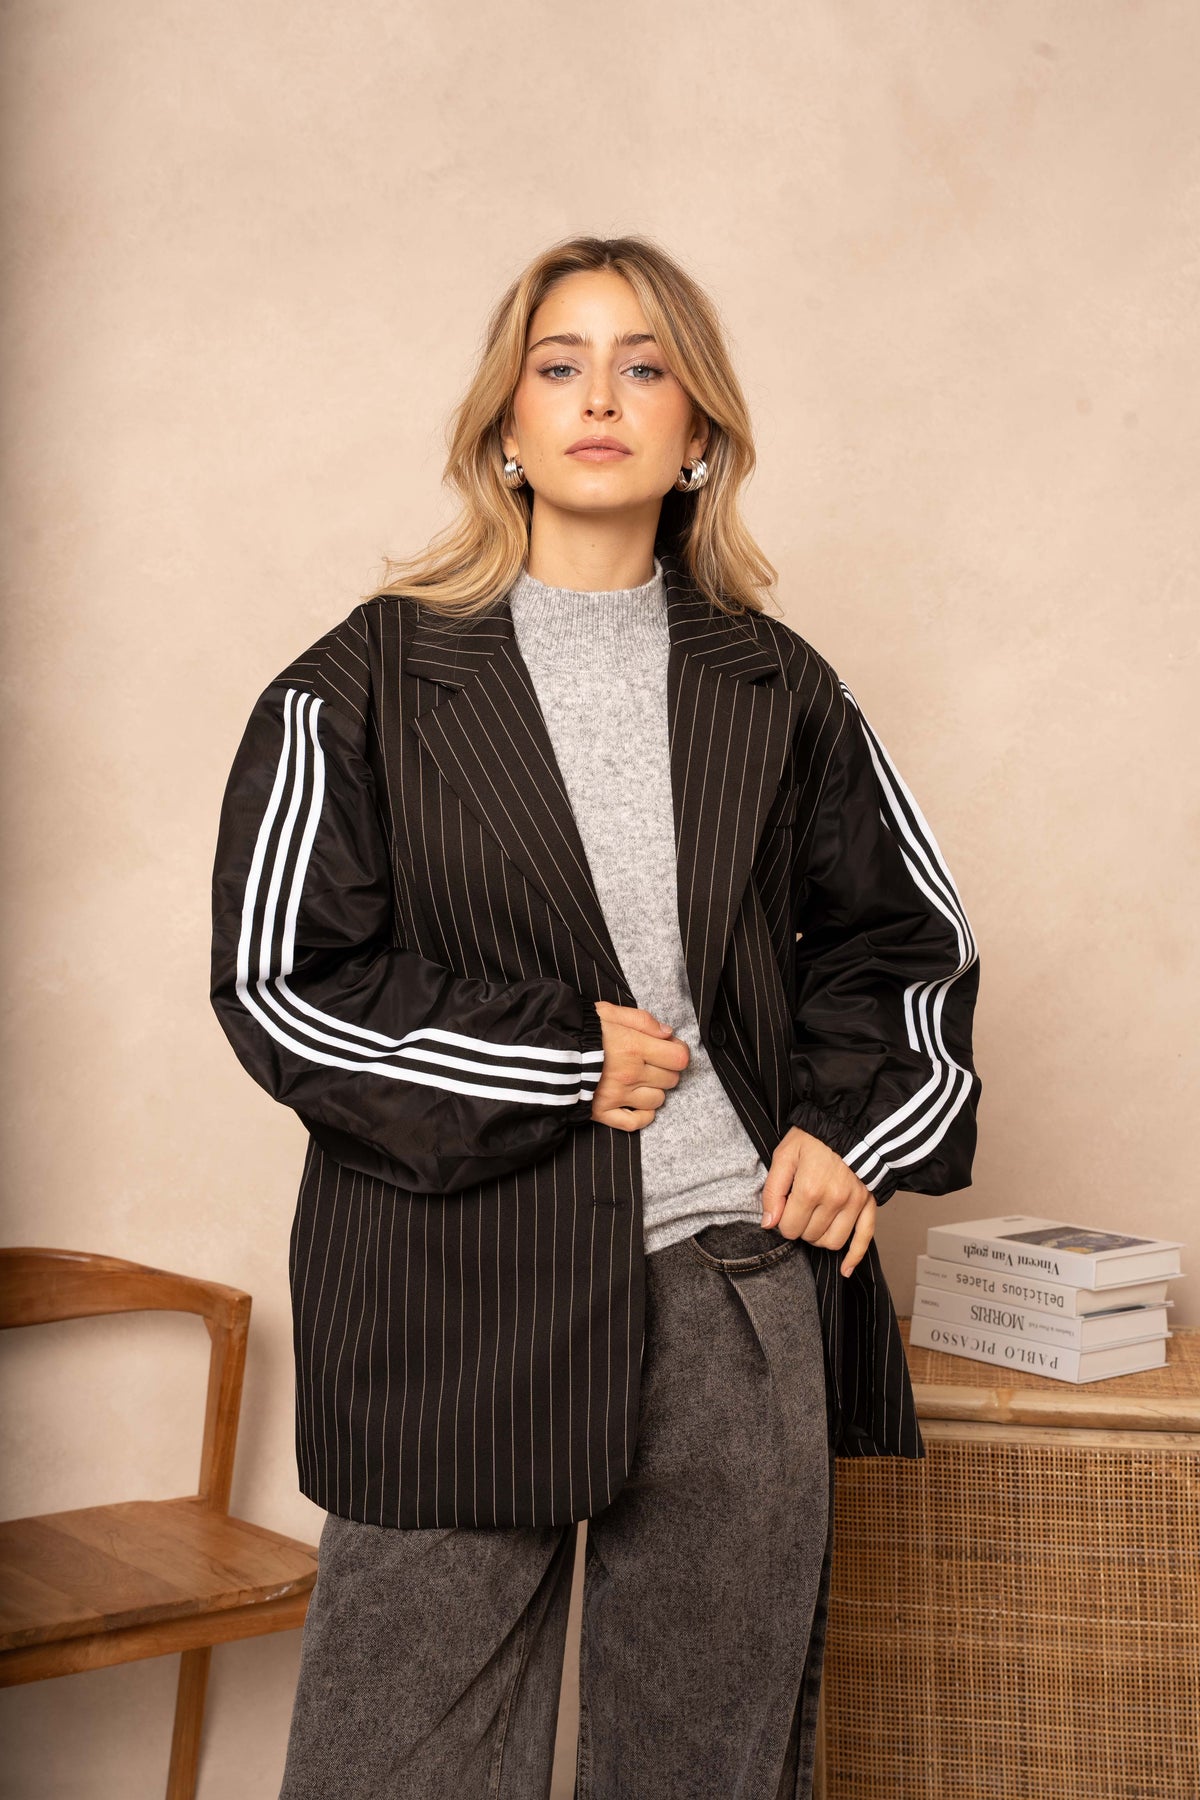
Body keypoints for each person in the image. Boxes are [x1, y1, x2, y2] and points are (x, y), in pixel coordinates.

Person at [209, 233, 981, 1799]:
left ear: (699, 434)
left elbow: (907, 939)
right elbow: (282, 979)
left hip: (730, 1282)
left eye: (645, 367)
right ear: (506, 424)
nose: (600, 398)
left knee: (708, 1766)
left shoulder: (780, 686)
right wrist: (558, 1055)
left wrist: (848, 1134)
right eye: (558, 365)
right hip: (454, 1290)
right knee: (394, 1766)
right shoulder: (360, 682)